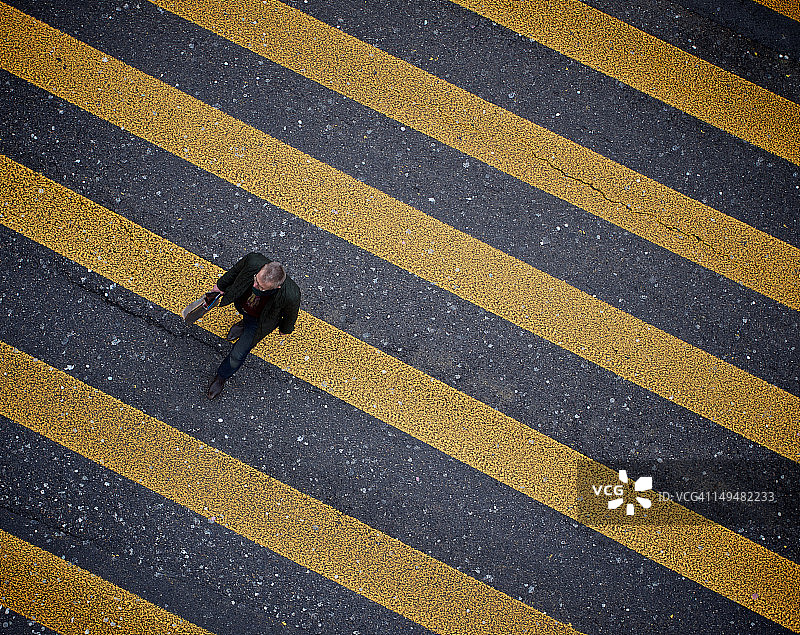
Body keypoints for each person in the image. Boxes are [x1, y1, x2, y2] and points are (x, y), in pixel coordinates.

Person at [205, 253, 301, 399]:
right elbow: (235, 271)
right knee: (243, 312)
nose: (255, 286)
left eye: (261, 288)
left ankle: (221, 377)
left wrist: (285, 329)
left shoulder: (291, 294)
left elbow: (290, 314)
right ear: (262, 268)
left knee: (237, 354)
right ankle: (244, 322)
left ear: (278, 286)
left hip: (260, 320)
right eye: (256, 280)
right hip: (242, 302)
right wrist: (219, 286)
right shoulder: (253, 261)